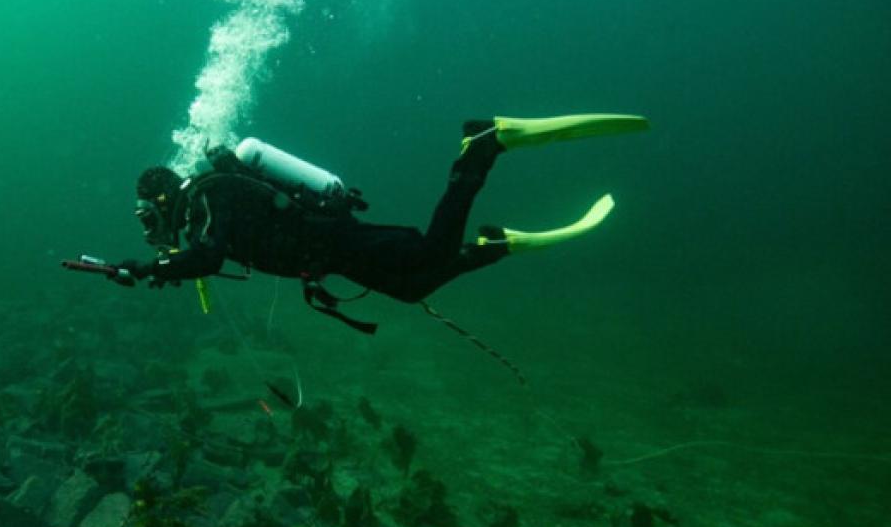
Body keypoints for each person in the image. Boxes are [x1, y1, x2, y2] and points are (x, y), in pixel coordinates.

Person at [103, 114, 648, 332]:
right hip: (331, 257)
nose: (150, 224)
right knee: (413, 289)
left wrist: (148, 266)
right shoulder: (205, 204)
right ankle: (494, 244)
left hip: (334, 241)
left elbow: (209, 254)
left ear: (160, 196)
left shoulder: (208, 192)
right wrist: (159, 266)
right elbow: (203, 253)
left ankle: (481, 146)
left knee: (435, 252)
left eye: (147, 213)